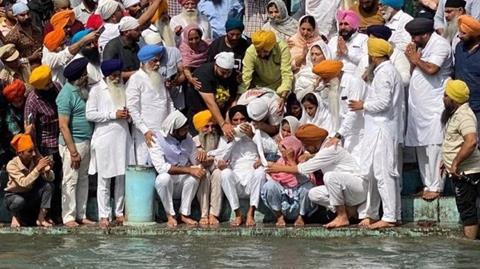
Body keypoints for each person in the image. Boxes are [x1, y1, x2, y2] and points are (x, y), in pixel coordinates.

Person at [266, 124, 366, 229]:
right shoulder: (324, 148)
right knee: (313, 193)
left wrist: (277, 168)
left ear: (312, 143)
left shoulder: (330, 150)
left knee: (329, 177)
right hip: (345, 191)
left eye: (306, 145)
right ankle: (348, 210)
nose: (305, 148)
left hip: (357, 188)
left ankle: (342, 216)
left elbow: (302, 169)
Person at [350, 37, 403, 229]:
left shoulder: (385, 73)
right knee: (374, 172)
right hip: (377, 129)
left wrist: (362, 105)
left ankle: (389, 216)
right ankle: (373, 213)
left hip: (383, 129)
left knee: (384, 173)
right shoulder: (384, 71)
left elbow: (383, 103)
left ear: (374, 56)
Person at [404, 18, 452, 201]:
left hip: (434, 104)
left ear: (425, 34)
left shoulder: (440, 45)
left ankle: (437, 186)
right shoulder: (421, 47)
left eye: (415, 36)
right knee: (420, 146)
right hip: (419, 107)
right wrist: (413, 60)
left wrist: (415, 59)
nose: (413, 40)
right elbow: (415, 70)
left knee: (434, 145)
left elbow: (432, 69)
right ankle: (427, 184)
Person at [86, 59, 134, 228]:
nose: (117, 78)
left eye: (119, 75)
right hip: (105, 139)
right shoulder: (97, 90)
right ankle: (104, 215)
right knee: (104, 179)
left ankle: (119, 213)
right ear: (107, 76)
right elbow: (90, 114)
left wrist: (127, 115)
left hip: (123, 137)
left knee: (122, 176)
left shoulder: (123, 87)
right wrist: (112, 114)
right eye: (114, 75)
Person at [149, 110, 205, 227]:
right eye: (183, 130)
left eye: (186, 128)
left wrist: (201, 154)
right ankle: (170, 215)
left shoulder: (188, 138)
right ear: (174, 131)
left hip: (182, 184)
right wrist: (188, 169)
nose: (186, 132)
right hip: (166, 186)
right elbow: (161, 168)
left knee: (195, 175)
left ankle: (184, 214)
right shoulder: (156, 139)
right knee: (163, 178)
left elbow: (195, 162)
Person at [56, 57, 94, 227]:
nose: (87, 76)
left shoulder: (82, 91)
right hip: (73, 143)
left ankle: (81, 214)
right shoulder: (65, 95)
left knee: (83, 179)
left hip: (86, 141)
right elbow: (63, 126)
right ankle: (69, 217)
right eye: (85, 74)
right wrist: (72, 152)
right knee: (71, 180)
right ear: (79, 76)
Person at [213, 105, 267, 227]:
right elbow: (219, 158)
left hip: (252, 181)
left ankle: (250, 213)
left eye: (242, 119)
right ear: (231, 122)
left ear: (247, 120)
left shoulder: (256, 133)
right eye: (235, 120)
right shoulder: (226, 137)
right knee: (225, 173)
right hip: (236, 181)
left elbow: (272, 149)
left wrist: (252, 136)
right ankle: (237, 214)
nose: (239, 123)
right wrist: (231, 141)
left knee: (260, 172)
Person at [441, 79, 480, 240]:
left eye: (446, 95)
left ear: (454, 99)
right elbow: (455, 142)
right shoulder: (455, 113)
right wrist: (447, 161)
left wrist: (455, 162)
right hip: (461, 171)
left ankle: (468, 251)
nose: (443, 98)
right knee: (469, 210)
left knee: (467, 212)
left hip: (467, 173)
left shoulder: (464, 116)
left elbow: (471, 141)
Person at [126, 44, 175, 165]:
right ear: (145, 62)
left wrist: (173, 122)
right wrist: (145, 130)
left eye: (159, 60)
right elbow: (132, 108)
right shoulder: (135, 79)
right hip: (146, 134)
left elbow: (168, 101)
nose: (158, 64)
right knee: (145, 167)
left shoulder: (159, 77)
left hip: (165, 132)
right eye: (154, 61)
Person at [314, 60, 367, 158]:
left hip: (360, 133)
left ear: (335, 74)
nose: (324, 82)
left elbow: (353, 113)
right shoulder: (335, 85)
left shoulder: (354, 82)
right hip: (346, 133)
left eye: (326, 78)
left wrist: (338, 135)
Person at [262, 135, 315, 226]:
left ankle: (300, 217)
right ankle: (279, 217)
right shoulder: (278, 162)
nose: (283, 151)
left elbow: (305, 179)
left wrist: (291, 161)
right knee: (269, 186)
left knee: (308, 188)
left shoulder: (303, 163)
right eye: (281, 148)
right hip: (283, 203)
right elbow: (271, 179)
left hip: (299, 204)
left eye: (285, 148)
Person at [4, 134, 54, 227]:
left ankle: (41, 218)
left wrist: (47, 171)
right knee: (19, 201)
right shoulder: (12, 165)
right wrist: (38, 168)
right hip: (14, 196)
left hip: (29, 195)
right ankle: (15, 217)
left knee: (48, 186)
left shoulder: (34, 160)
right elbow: (24, 183)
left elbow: (51, 178)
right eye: (30, 151)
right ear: (20, 153)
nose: (33, 154)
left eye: (33, 150)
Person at [190, 52, 238, 138]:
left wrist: (227, 120)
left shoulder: (233, 75)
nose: (226, 76)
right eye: (223, 72)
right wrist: (223, 124)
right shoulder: (203, 74)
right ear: (216, 66)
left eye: (228, 72)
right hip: (201, 111)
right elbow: (210, 102)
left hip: (220, 112)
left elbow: (232, 100)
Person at [239, 30, 293, 99]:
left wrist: (283, 97)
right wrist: (238, 98)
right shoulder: (250, 52)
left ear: (272, 47)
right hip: (260, 86)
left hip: (280, 86)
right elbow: (246, 77)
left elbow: (286, 73)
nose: (262, 54)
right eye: (258, 51)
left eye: (265, 51)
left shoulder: (282, 48)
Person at [192, 110, 223, 225]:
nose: (210, 130)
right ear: (199, 128)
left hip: (215, 168)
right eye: (206, 127)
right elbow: (192, 161)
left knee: (218, 174)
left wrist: (212, 161)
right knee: (204, 173)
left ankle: (213, 214)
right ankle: (204, 214)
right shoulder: (193, 141)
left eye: (212, 126)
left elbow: (222, 155)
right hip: (201, 171)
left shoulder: (219, 139)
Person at [454, 15, 480, 143]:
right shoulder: (459, 47)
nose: (459, 35)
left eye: (463, 33)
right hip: (461, 106)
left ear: (474, 34)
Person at [328, 10, 368, 75]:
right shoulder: (333, 40)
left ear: (354, 25)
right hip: (334, 75)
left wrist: (347, 53)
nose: (343, 27)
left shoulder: (364, 38)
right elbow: (327, 59)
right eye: (340, 24)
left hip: (354, 77)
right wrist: (337, 53)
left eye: (346, 24)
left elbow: (366, 61)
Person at [103, 16, 142, 81]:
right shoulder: (112, 47)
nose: (140, 33)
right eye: (136, 30)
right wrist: (138, 73)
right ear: (126, 32)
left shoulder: (136, 45)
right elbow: (109, 73)